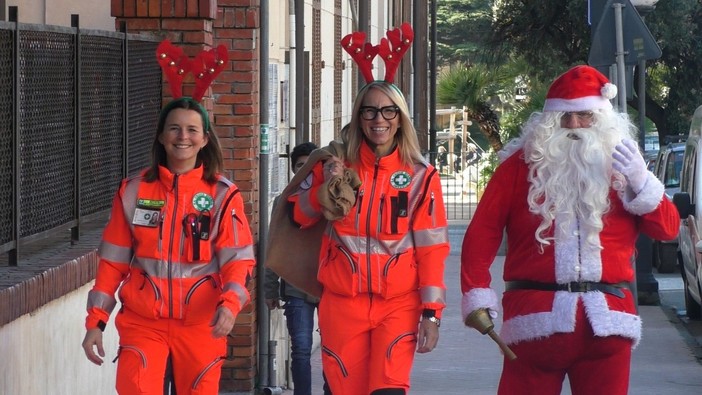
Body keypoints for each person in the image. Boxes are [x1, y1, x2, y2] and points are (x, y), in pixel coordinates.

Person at [460, 65, 680, 395]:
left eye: (585, 117)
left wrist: (642, 181)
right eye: (565, 118)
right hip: (534, 324)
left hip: (607, 326)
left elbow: (667, 229)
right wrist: (477, 292)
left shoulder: (624, 170)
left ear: (603, 121)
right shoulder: (517, 169)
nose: (575, 126)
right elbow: (481, 235)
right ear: (549, 124)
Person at [81, 41, 255, 395]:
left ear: (205, 139)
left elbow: (239, 260)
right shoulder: (133, 191)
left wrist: (231, 304)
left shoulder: (223, 195)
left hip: (201, 323)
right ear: (162, 135)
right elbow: (112, 263)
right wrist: (95, 322)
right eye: (174, 128)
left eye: (192, 130)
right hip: (145, 323)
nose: (183, 137)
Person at [284, 80, 449, 395]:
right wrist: (326, 189)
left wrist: (432, 313)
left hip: (398, 306)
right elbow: (296, 217)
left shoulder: (420, 176)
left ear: (400, 118)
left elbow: (432, 250)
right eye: (370, 111)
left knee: (389, 390)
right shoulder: (334, 163)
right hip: (343, 304)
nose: (379, 120)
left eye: (388, 111)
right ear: (358, 117)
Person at [264, 141, 323, 395]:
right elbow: (275, 244)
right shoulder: (284, 201)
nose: (305, 172)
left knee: (334, 349)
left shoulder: (331, 197)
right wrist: (270, 288)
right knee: (300, 347)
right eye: (300, 166)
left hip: (329, 285)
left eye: (310, 166)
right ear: (293, 170)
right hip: (296, 285)